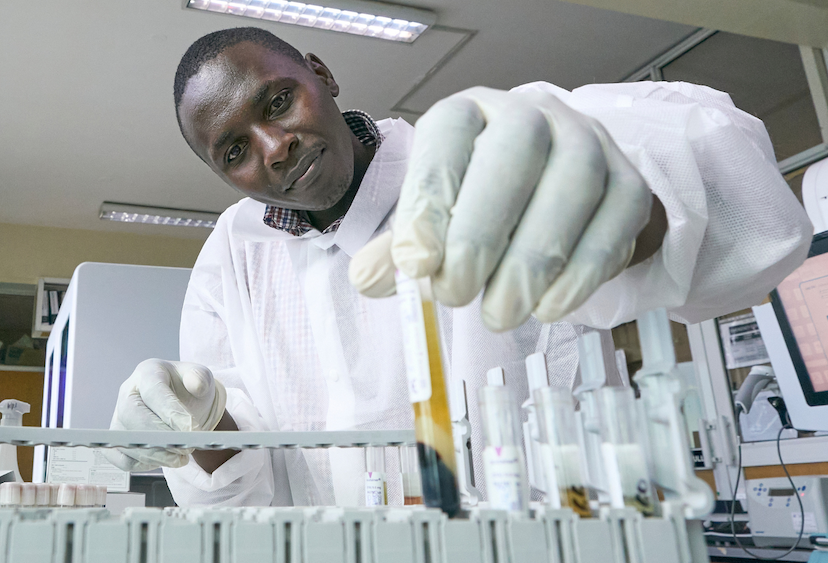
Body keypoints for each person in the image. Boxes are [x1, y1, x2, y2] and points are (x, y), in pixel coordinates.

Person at [102, 27, 812, 507]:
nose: (275, 147)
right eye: (234, 150)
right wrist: (199, 426)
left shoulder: (485, 144)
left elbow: (743, 206)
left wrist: (627, 195)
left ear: (322, 74)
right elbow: (244, 487)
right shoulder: (234, 253)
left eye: (278, 101)